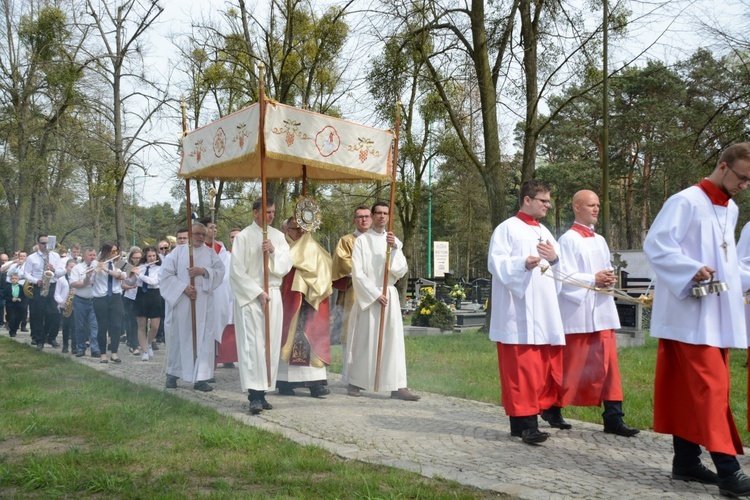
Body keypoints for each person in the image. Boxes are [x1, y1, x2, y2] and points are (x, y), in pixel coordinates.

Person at [644, 143, 750, 496]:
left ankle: (685, 462)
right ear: (723, 167)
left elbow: (729, 262)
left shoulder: (731, 209)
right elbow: (657, 244)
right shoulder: (685, 201)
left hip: (716, 315)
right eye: (742, 177)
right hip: (688, 313)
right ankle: (729, 472)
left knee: (689, 391)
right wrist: (691, 270)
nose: (744, 186)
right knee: (710, 389)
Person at [555, 190, 639, 437]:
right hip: (579, 313)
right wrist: (593, 279)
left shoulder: (600, 240)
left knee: (609, 367)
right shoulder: (567, 240)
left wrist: (608, 279)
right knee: (573, 367)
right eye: (591, 205)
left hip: (601, 311)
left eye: (598, 206)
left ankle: (613, 417)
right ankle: (552, 407)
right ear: (576, 207)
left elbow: (605, 271)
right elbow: (563, 277)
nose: (596, 209)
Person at [487, 179, 565, 445]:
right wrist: (523, 263)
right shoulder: (506, 228)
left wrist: (553, 259)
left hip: (543, 311)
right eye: (543, 200)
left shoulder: (545, 231)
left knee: (537, 370)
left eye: (548, 201)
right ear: (527, 200)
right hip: (516, 312)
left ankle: (522, 425)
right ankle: (526, 425)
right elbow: (496, 262)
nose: (548, 205)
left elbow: (559, 270)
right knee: (520, 370)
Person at [345, 201, 419, 401]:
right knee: (366, 338)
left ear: (388, 216)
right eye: (378, 213)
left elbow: (400, 270)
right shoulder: (362, 241)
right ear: (372, 215)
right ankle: (356, 381)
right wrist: (374, 294)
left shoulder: (393, 241)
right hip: (371, 295)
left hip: (389, 294)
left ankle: (396, 385)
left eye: (385, 213)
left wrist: (395, 249)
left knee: (392, 341)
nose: (382, 217)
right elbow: (357, 272)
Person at [230, 198, 292, 414]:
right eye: (266, 212)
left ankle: (264, 391)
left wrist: (273, 251)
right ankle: (254, 395)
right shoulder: (243, 237)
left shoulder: (278, 236)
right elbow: (236, 271)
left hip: (272, 295)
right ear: (255, 213)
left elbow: (286, 266)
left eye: (273, 212)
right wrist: (257, 292)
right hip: (253, 297)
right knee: (253, 347)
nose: (271, 216)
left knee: (270, 345)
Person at [160, 223, 225, 391]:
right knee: (178, 337)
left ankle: (201, 378)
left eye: (203, 234)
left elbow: (220, 271)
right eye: (197, 234)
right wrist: (183, 288)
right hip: (182, 302)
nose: (200, 237)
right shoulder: (178, 252)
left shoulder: (210, 253)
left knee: (202, 338)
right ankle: (172, 374)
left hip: (203, 304)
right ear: (190, 234)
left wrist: (203, 271)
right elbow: (165, 276)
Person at [276, 217, 332, 398]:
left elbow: (325, 268)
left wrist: (314, 284)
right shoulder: (281, 248)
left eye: (302, 229)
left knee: (311, 336)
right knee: (288, 338)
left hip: (311, 300)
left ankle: (315, 383)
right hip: (289, 300)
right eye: (295, 229)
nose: (299, 232)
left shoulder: (313, 247)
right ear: (286, 230)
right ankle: (284, 382)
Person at [331, 206, 371, 383]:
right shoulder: (346, 241)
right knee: (351, 333)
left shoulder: (378, 240)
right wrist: (367, 270)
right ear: (354, 220)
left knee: (370, 332)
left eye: (367, 216)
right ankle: (348, 376)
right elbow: (342, 264)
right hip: (353, 292)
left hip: (374, 293)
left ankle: (369, 376)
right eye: (360, 217)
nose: (364, 220)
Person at [22, 234, 65, 349]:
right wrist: (36, 281)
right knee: (38, 314)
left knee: (54, 313)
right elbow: (26, 274)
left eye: (47, 243)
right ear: (38, 244)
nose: (45, 245)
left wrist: (53, 269)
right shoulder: (32, 258)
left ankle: (51, 337)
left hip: (53, 286)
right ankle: (39, 339)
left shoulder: (55, 256)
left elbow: (62, 271)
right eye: (43, 243)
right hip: (39, 286)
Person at [91, 242, 126, 363]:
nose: (115, 253)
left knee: (116, 326)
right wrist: (91, 272)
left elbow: (122, 277)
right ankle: (103, 354)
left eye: (116, 251)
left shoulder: (121, 263)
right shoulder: (96, 263)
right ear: (106, 252)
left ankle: (114, 353)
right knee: (102, 326)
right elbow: (90, 281)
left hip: (115, 297)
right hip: (100, 298)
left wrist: (106, 270)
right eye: (113, 251)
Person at [215, 228, 243, 369]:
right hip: (228, 294)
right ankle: (226, 357)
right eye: (232, 237)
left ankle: (238, 356)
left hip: (243, 295)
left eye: (238, 237)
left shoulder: (248, 255)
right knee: (227, 322)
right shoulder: (225, 256)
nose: (234, 240)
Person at [134, 245, 162, 361]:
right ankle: (144, 350)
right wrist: (130, 273)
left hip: (154, 294)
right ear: (145, 256)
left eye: (154, 256)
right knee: (141, 325)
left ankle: (149, 343)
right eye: (149, 256)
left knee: (155, 326)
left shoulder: (160, 268)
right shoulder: (140, 267)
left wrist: (139, 274)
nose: (151, 258)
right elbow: (131, 281)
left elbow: (154, 282)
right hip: (141, 295)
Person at [70, 247, 99, 357]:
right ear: (83, 256)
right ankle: (81, 348)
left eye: (94, 255)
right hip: (80, 300)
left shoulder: (98, 267)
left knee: (94, 326)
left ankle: (95, 349)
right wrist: (86, 281)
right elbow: (73, 283)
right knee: (80, 326)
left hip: (94, 300)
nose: (93, 257)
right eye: (90, 255)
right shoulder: (77, 268)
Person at [121, 247, 142, 355]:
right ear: (131, 258)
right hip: (130, 296)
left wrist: (139, 272)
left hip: (142, 297)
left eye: (139, 257)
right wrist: (131, 273)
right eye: (135, 258)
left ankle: (139, 342)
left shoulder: (143, 267)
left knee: (141, 322)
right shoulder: (126, 267)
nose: (137, 260)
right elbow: (123, 284)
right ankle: (133, 344)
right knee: (131, 320)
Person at [53, 259, 77, 354]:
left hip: (75, 306)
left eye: (74, 267)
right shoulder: (61, 279)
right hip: (65, 306)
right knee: (66, 327)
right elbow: (56, 294)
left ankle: (74, 347)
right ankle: (65, 346)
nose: (72, 269)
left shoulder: (77, 279)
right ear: (66, 268)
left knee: (75, 327)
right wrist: (61, 302)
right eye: (71, 267)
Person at [4, 272, 23, 337]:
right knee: (12, 318)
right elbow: (4, 296)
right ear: (10, 279)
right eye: (13, 278)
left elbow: (23, 296)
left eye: (16, 278)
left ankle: (15, 330)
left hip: (18, 304)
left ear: (18, 279)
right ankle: (11, 331)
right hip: (10, 304)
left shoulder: (21, 287)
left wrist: (20, 298)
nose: (14, 280)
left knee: (18, 318)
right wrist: (11, 299)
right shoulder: (7, 287)